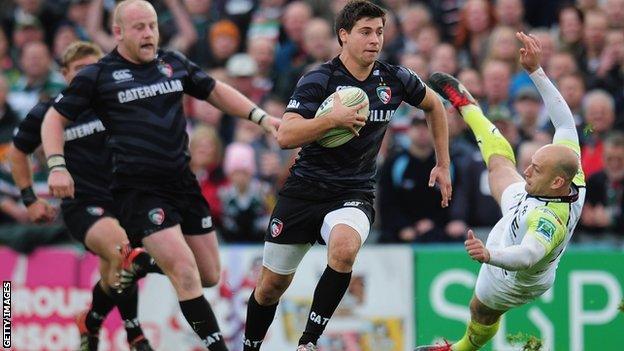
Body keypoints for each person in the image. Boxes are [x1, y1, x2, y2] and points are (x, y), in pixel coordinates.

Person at [40, 1, 280, 350]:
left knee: (209, 275)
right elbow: (52, 119)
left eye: (152, 25)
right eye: (139, 27)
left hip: (183, 184)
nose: (149, 33)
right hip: (138, 190)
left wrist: (261, 117)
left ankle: (136, 268)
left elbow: (214, 90)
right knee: (184, 271)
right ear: (118, 32)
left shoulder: (173, 63)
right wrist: (57, 165)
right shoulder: (99, 74)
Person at [242, 2, 452, 351]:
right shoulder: (319, 79)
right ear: (343, 35)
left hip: (353, 191)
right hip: (304, 190)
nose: (375, 40)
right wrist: (331, 120)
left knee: (343, 250)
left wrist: (442, 163)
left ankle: (307, 343)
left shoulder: (395, 79)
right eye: (365, 32)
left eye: (380, 32)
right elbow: (285, 136)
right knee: (270, 288)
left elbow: (435, 105)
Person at [415, 32, 586, 351]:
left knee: (479, 309)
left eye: (535, 168)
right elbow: (564, 123)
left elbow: (527, 255)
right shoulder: (569, 171)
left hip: (516, 277)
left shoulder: (548, 221)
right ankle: (469, 108)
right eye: (532, 163)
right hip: (528, 206)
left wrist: (490, 255)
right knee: (499, 167)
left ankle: (461, 348)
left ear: (557, 182)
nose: (527, 170)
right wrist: (536, 70)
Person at [9, 41, 154, 351]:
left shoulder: (117, 102)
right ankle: (135, 333)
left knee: (116, 272)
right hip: (83, 205)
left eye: (94, 67)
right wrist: (30, 198)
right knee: (125, 252)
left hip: (127, 201)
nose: (89, 75)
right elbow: (16, 152)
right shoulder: (50, 112)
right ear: (64, 74)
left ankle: (90, 319)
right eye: (79, 70)